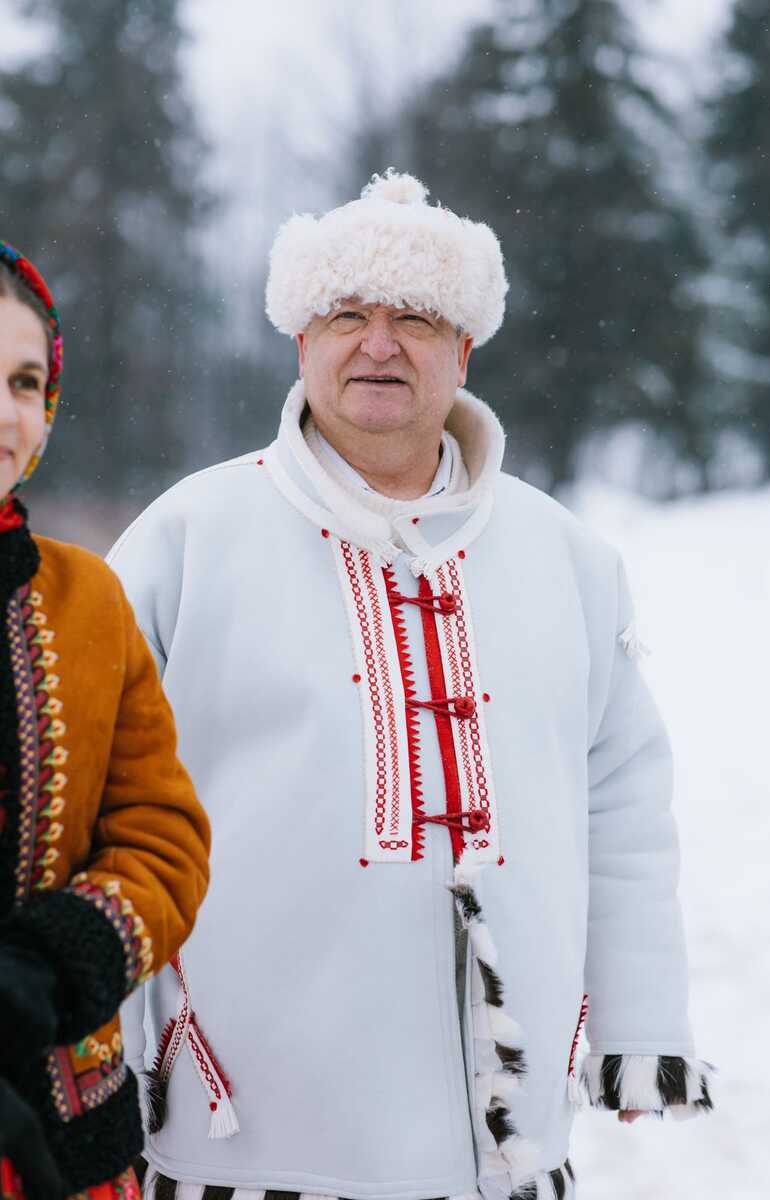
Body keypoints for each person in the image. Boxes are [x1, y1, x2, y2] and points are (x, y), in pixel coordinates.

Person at [111, 171, 711, 1200]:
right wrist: (96, 1056)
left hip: (502, 1156)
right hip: (238, 1131)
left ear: (463, 349)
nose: (379, 344)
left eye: (417, 318)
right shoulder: (184, 540)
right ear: (301, 340)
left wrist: (642, 1024)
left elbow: (622, 806)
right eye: (347, 315)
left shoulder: (566, 556)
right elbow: (91, 812)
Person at [0, 239, 211, 1200]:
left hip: (71, 1145)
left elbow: (165, 838)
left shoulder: (86, 599)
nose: (6, 413)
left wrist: (50, 964)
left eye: (24, 382)